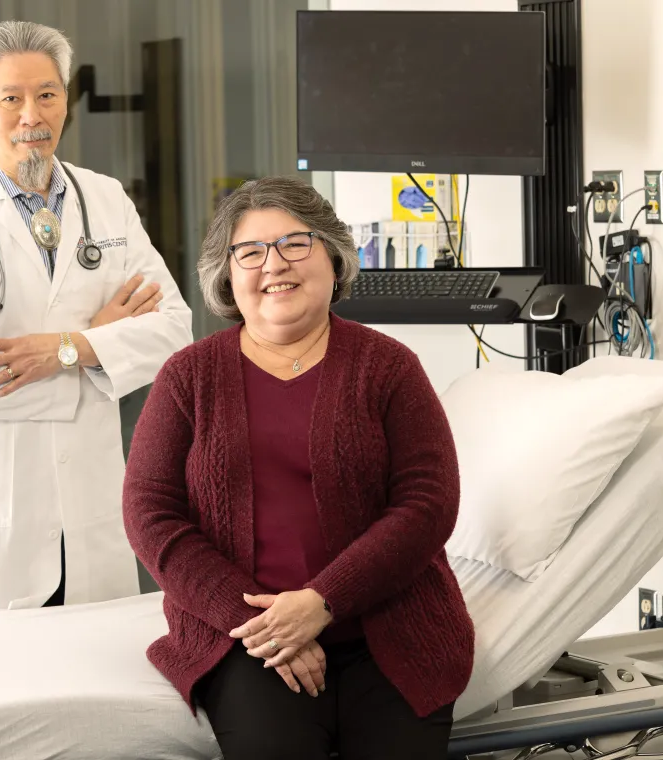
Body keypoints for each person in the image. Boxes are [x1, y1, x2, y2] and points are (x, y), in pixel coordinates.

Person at [122, 176, 473, 759]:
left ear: (333, 259)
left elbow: (428, 503)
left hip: (389, 633)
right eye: (250, 251)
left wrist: (323, 602)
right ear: (227, 277)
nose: (273, 264)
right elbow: (150, 514)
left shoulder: (389, 368)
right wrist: (260, 624)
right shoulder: (188, 377)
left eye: (294, 244)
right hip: (245, 643)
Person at [0, 20, 192, 617]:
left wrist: (63, 349)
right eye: (10, 98)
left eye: (48, 94)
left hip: (89, 497)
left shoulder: (106, 199)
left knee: (95, 680)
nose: (31, 115)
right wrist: (104, 344)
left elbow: (173, 332)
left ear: (66, 98)